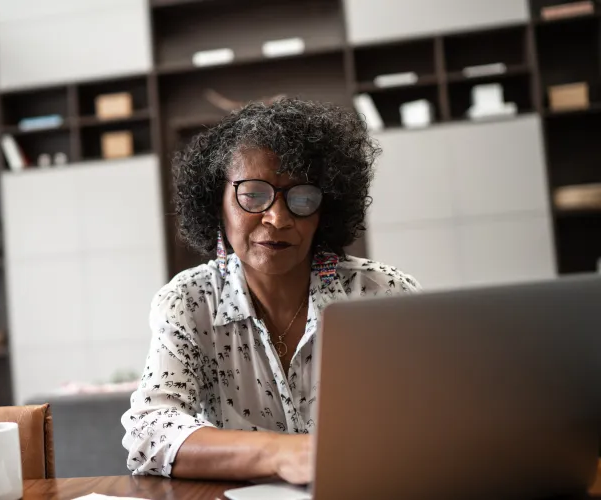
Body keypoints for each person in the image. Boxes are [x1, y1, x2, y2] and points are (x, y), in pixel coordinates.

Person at [121, 98, 420, 484]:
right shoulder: (190, 301)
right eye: (253, 194)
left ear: (323, 212)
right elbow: (150, 431)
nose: (277, 218)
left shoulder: (382, 295)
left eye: (302, 198)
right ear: (218, 203)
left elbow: (438, 417)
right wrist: (282, 453)